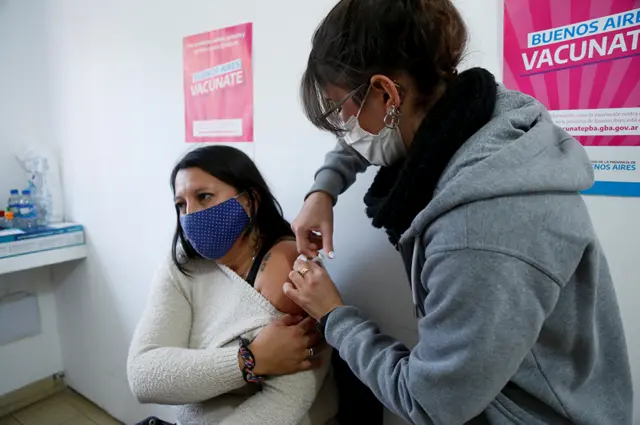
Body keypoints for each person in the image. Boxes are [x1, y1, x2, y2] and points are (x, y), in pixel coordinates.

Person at [284, 1, 634, 424]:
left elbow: (431, 404)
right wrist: (323, 190)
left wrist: (333, 316)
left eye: (341, 107)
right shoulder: (484, 112)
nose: (344, 125)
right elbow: (367, 133)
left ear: (386, 94)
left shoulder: (480, 232)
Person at [127, 146, 338, 425]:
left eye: (204, 197)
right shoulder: (182, 265)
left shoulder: (294, 274)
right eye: (181, 204)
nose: (190, 215)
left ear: (249, 200)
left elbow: (285, 403)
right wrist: (249, 360)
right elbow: (144, 376)